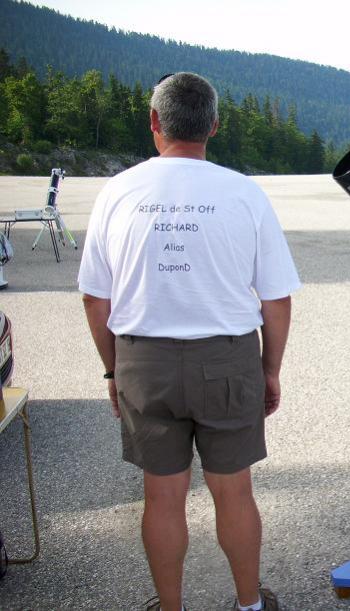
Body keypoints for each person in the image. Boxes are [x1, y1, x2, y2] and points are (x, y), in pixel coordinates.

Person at [78, 72, 300, 611]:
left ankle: (170, 607)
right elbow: (276, 299)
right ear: (214, 126)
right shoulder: (244, 193)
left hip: (144, 361)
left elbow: (95, 299)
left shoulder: (118, 192)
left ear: (155, 121)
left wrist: (113, 371)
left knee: (162, 496)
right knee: (234, 490)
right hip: (227, 359)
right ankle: (249, 604)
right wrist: (270, 370)